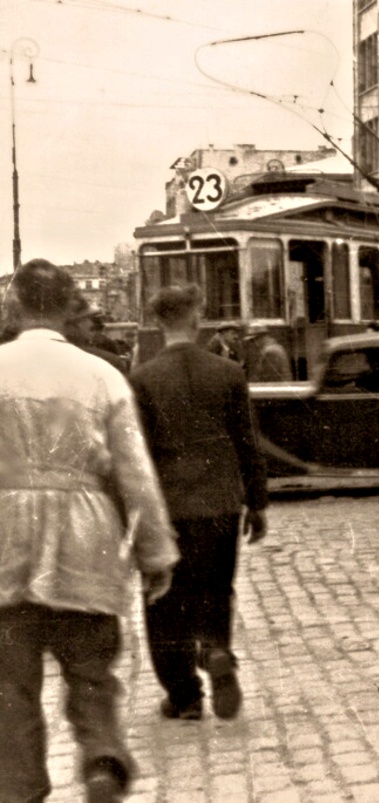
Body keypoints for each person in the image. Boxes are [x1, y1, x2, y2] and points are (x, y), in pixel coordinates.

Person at [0, 259, 178, 803]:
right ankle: (102, 758)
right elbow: (134, 474)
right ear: (68, 305)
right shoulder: (101, 375)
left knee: (9, 687)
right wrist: (156, 554)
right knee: (92, 671)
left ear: (16, 306)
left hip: (4, 539)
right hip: (85, 537)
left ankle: (19, 789)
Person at [129, 284, 269, 723]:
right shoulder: (228, 372)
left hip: (168, 508)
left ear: (158, 323)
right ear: (197, 319)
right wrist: (257, 503)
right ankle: (215, 649)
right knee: (215, 590)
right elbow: (248, 443)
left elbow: (140, 456)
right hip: (221, 504)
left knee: (164, 601)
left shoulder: (143, 379)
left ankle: (185, 696)